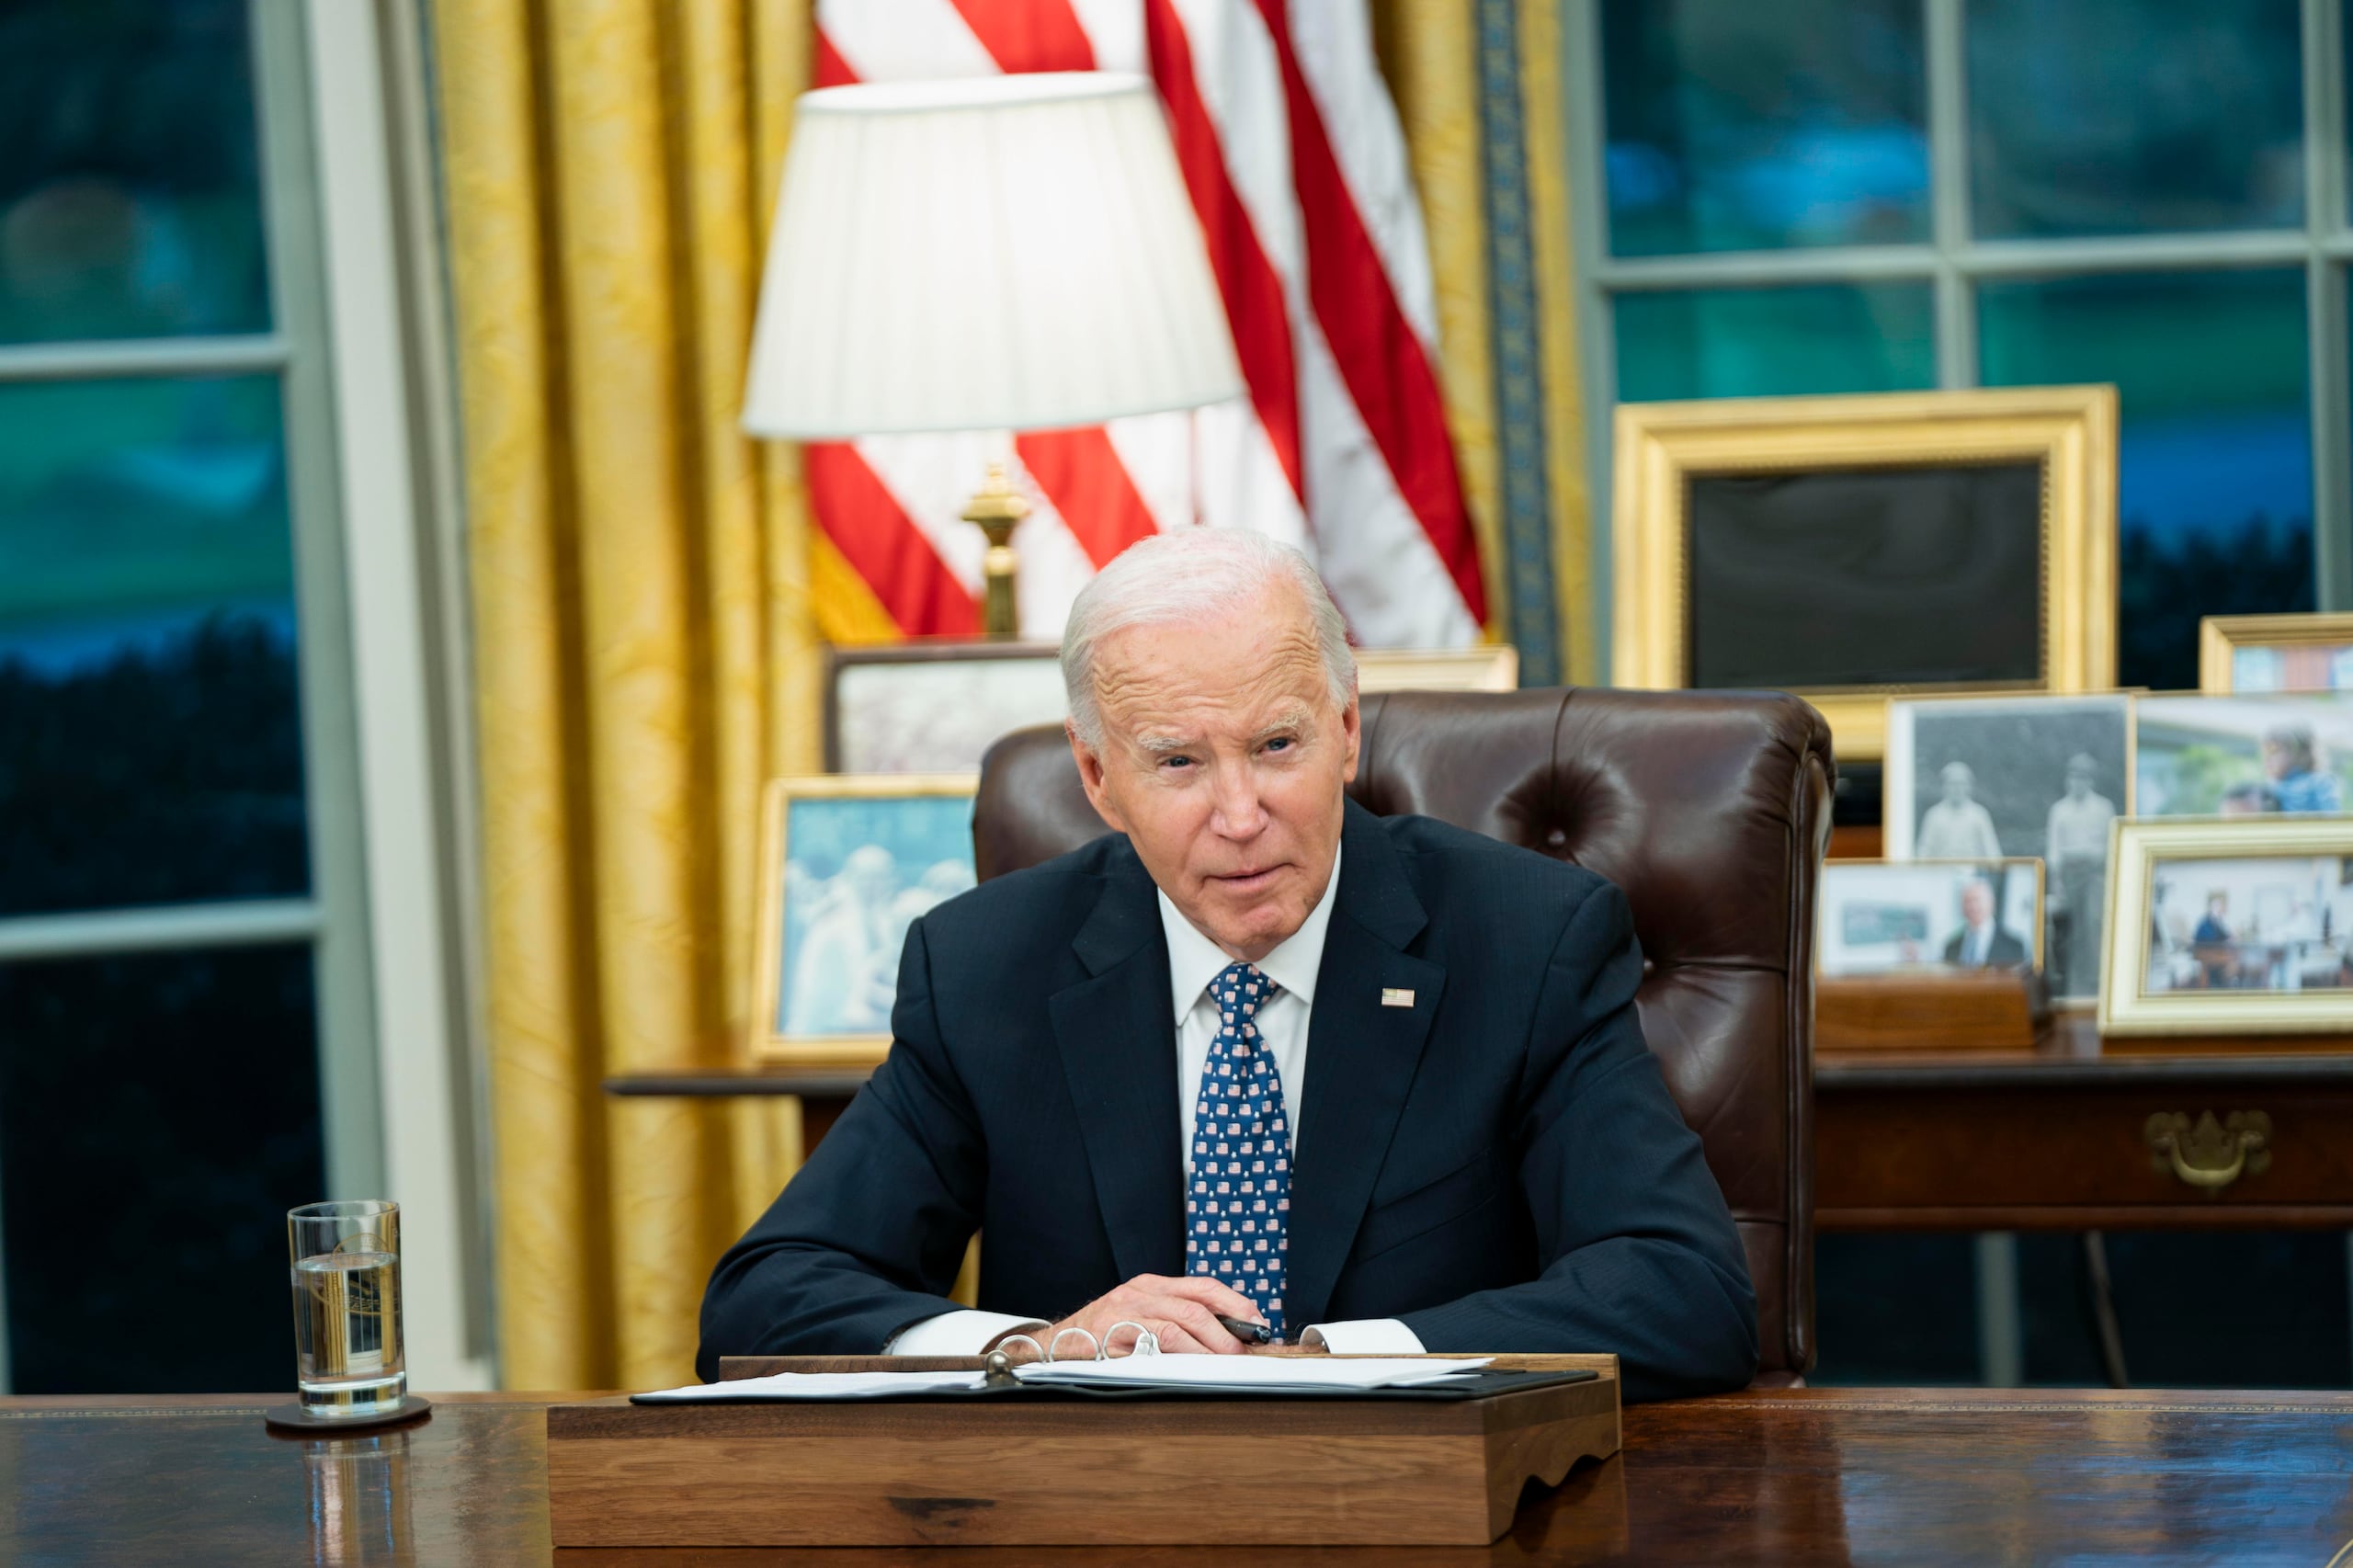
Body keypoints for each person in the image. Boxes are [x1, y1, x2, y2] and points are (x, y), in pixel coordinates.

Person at [700, 531, 1757, 1402]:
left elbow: (1682, 1289)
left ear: (1345, 730)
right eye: (1177, 762)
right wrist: (1037, 1341)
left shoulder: (1524, 940)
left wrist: (1327, 1362)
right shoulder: (986, 965)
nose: (1241, 816)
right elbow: (768, 1295)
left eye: (1277, 746)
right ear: (1096, 777)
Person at [2044, 754, 2118, 997]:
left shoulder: (2103, 807)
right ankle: (2069, 986)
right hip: (2068, 875)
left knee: (2093, 924)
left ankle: (2096, 984)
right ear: (2068, 780)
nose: (2078, 782)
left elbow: (2112, 846)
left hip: (2095, 875)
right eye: (2074, 777)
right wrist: (2057, 884)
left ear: (2091, 780)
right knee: (2067, 930)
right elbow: (2053, 850)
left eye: (2083, 777)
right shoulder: (2059, 810)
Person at [1916, 763, 2002, 859]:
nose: (1957, 788)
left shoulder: (1979, 814)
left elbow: (1992, 851)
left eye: (1962, 783)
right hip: (1941, 872)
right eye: (1952, 784)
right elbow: (1923, 852)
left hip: (1973, 873)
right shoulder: (1933, 815)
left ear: (1969, 787)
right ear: (1944, 786)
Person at [1942, 875, 2029, 970]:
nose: (1973, 906)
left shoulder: (2013, 945)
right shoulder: (1951, 947)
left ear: (1991, 903)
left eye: (1977, 900)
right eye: (1967, 901)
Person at [2262, 722, 2343, 814]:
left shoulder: (2320, 782)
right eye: (2266, 752)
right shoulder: (2270, 786)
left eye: (2274, 751)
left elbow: (2331, 817)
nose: (2268, 758)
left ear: (2300, 754)